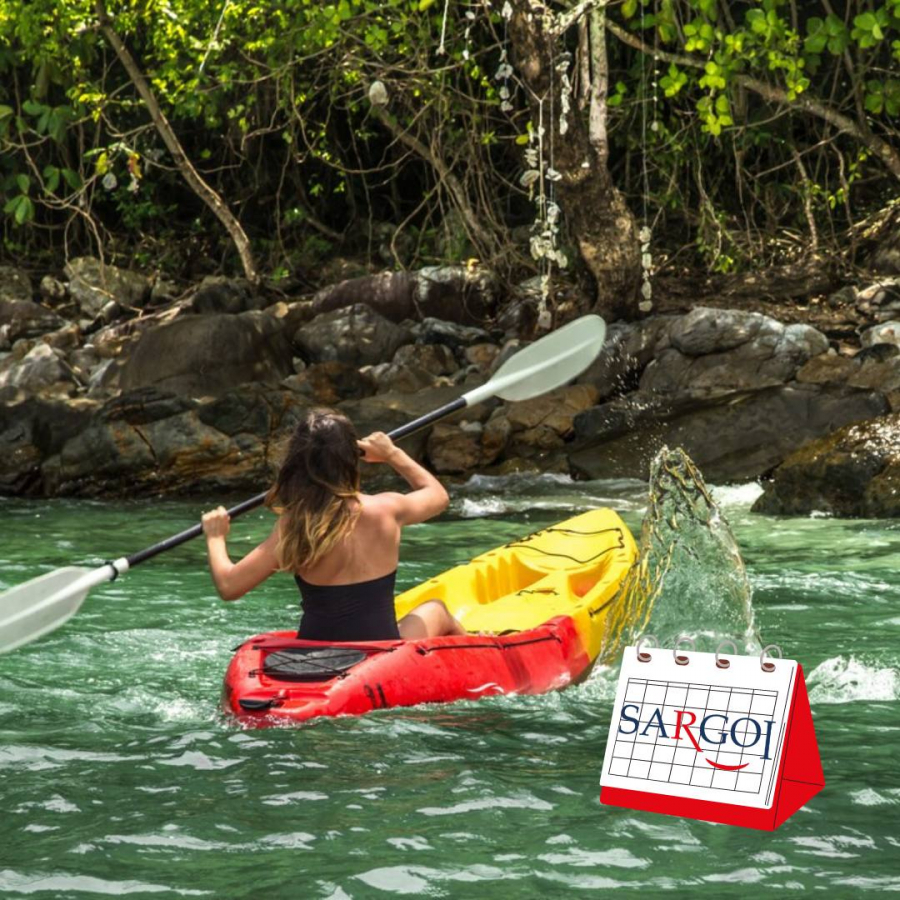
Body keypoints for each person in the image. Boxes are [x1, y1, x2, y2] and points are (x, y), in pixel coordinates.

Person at [200, 407, 466, 641]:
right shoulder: (387, 509)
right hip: (383, 650)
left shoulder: (296, 524)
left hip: (315, 652)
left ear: (297, 463)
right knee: (437, 610)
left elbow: (229, 586)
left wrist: (215, 537)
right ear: (353, 458)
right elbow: (438, 495)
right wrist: (392, 453)